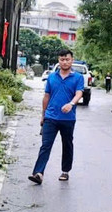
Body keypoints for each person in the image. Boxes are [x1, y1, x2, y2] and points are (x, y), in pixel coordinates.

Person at [29, 49, 84, 184]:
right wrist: (43, 115)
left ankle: (65, 171)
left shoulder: (78, 77)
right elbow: (46, 96)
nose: (64, 62)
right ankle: (38, 173)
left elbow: (79, 93)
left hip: (68, 119)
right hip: (51, 117)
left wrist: (71, 104)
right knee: (45, 145)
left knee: (67, 145)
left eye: (67, 59)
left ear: (72, 60)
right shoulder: (52, 77)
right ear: (58, 61)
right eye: (62, 59)